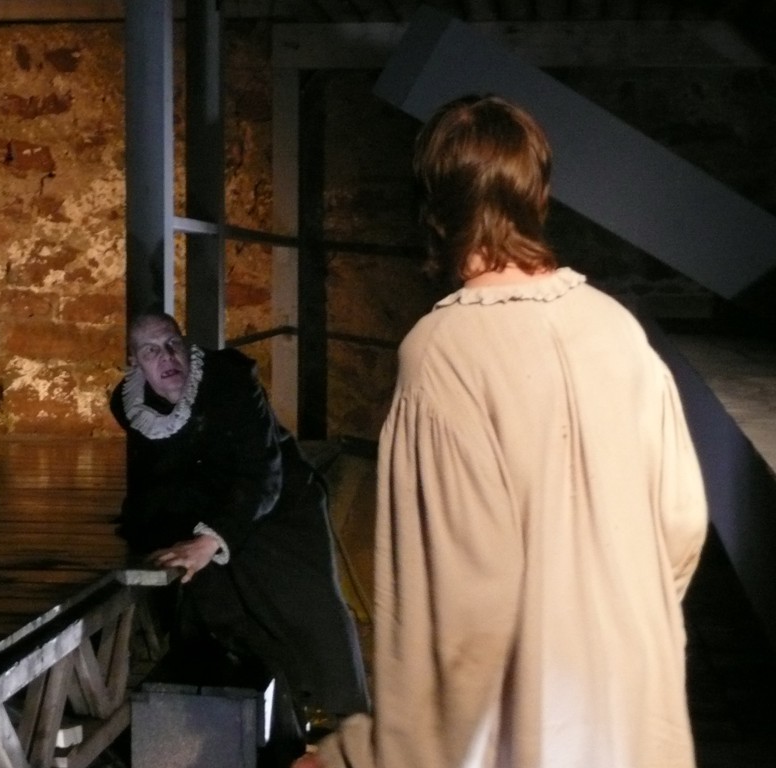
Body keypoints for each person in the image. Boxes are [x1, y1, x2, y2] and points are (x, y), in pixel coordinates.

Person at [297, 95, 708, 768]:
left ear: (434, 209)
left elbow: (459, 616)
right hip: (636, 716)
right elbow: (683, 524)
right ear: (537, 196)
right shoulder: (617, 328)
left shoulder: (443, 353)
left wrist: (356, 757)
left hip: (530, 732)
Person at [109, 311, 370, 762]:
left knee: (311, 620)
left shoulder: (229, 379)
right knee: (224, 625)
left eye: (172, 344)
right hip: (207, 520)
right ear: (134, 362)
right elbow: (158, 479)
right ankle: (267, 741)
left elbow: (260, 471)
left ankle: (351, 742)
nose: (167, 358)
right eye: (151, 351)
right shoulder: (131, 405)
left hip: (279, 513)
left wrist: (209, 541)